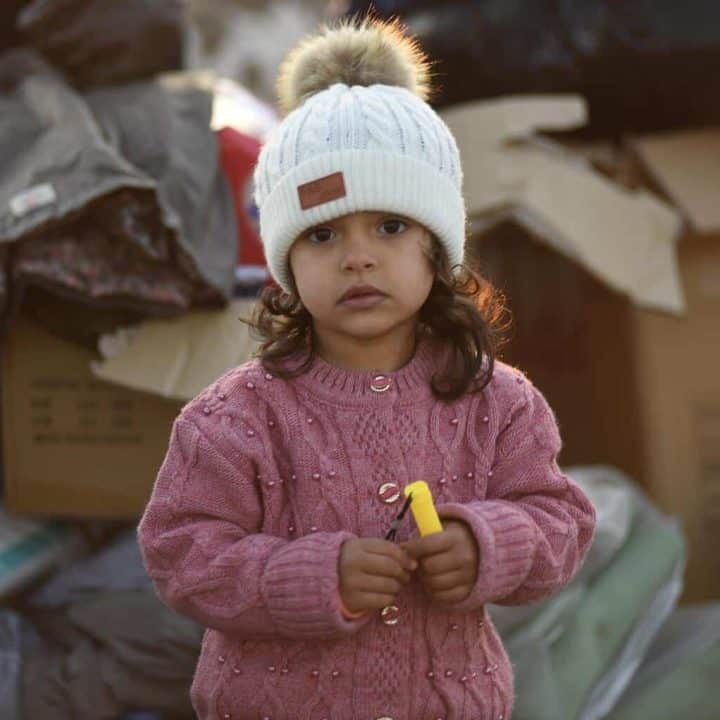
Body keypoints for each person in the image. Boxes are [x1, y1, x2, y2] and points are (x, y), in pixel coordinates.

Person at [137, 17, 596, 720]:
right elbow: (180, 554)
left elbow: (561, 521)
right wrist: (314, 575)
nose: (358, 257)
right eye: (322, 234)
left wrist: (485, 543)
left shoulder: (499, 403)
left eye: (389, 226)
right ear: (286, 259)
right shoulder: (232, 419)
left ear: (437, 246)